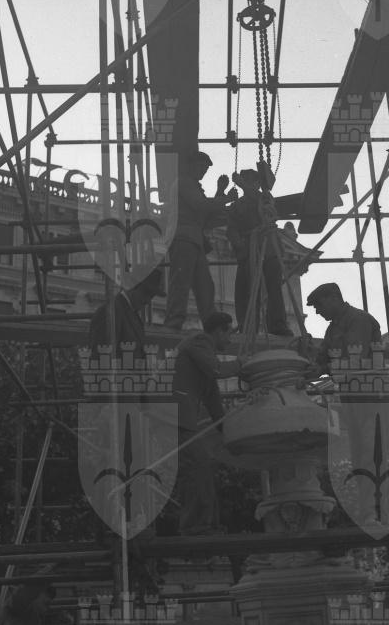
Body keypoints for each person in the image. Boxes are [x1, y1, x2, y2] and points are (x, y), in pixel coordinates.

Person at [306, 283, 383, 525]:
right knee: (359, 456)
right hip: (352, 397)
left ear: (333, 298)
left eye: (319, 306)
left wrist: (322, 368)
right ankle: (367, 513)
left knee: (370, 454)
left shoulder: (359, 320)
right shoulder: (333, 329)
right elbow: (322, 361)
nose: (318, 312)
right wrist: (308, 365)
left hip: (370, 396)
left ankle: (374, 513)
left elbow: (353, 359)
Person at [172, 311, 242, 535]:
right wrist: (242, 364)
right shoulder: (200, 342)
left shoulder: (205, 355)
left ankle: (204, 524)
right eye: (228, 334)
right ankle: (196, 526)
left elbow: (213, 400)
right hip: (174, 415)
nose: (229, 341)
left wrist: (228, 430)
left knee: (199, 464)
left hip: (180, 416)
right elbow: (217, 370)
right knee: (197, 464)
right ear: (219, 331)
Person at [164, 151, 238, 330]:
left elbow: (206, 213)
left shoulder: (192, 186)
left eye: (205, 169)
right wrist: (226, 198)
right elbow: (201, 205)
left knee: (205, 285)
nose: (204, 172)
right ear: (192, 165)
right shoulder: (184, 183)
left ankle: (211, 324)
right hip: (183, 238)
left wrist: (220, 192)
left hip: (194, 240)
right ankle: (174, 322)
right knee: (181, 282)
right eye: (202, 168)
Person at [227, 168, 293, 336]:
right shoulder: (237, 206)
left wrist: (243, 184)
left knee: (273, 288)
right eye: (247, 180)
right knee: (246, 290)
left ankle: (277, 325)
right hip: (248, 249)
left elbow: (262, 202)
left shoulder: (264, 198)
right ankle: (248, 327)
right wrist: (239, 244)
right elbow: (231, 228)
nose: (250, 184)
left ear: (257, 183)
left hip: (268, 247)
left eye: (252, 181)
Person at [89, 266, 166, 357]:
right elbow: (102, 357)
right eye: (145, 293)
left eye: (151, 296)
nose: (148, 301)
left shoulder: (132, 314)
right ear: (132, 286)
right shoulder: (110, 312)